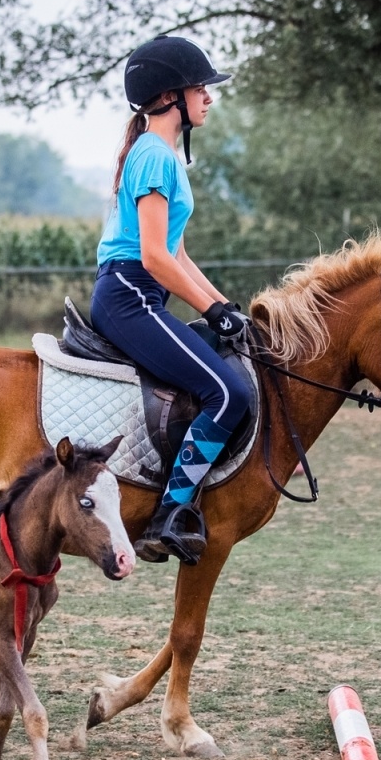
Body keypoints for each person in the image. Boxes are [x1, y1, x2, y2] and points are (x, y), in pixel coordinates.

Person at [90, 35, 254, 566]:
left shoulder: (158, 156)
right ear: (169, 97)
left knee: (230, 365)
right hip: (131, 294)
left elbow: (179, 256)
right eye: (200, 88)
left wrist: (226, 309)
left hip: (141, 290)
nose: (208, 97)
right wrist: (209, 311)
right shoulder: (156, 158)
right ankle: (170, 513)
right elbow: (156, 258)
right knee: (230, 396)